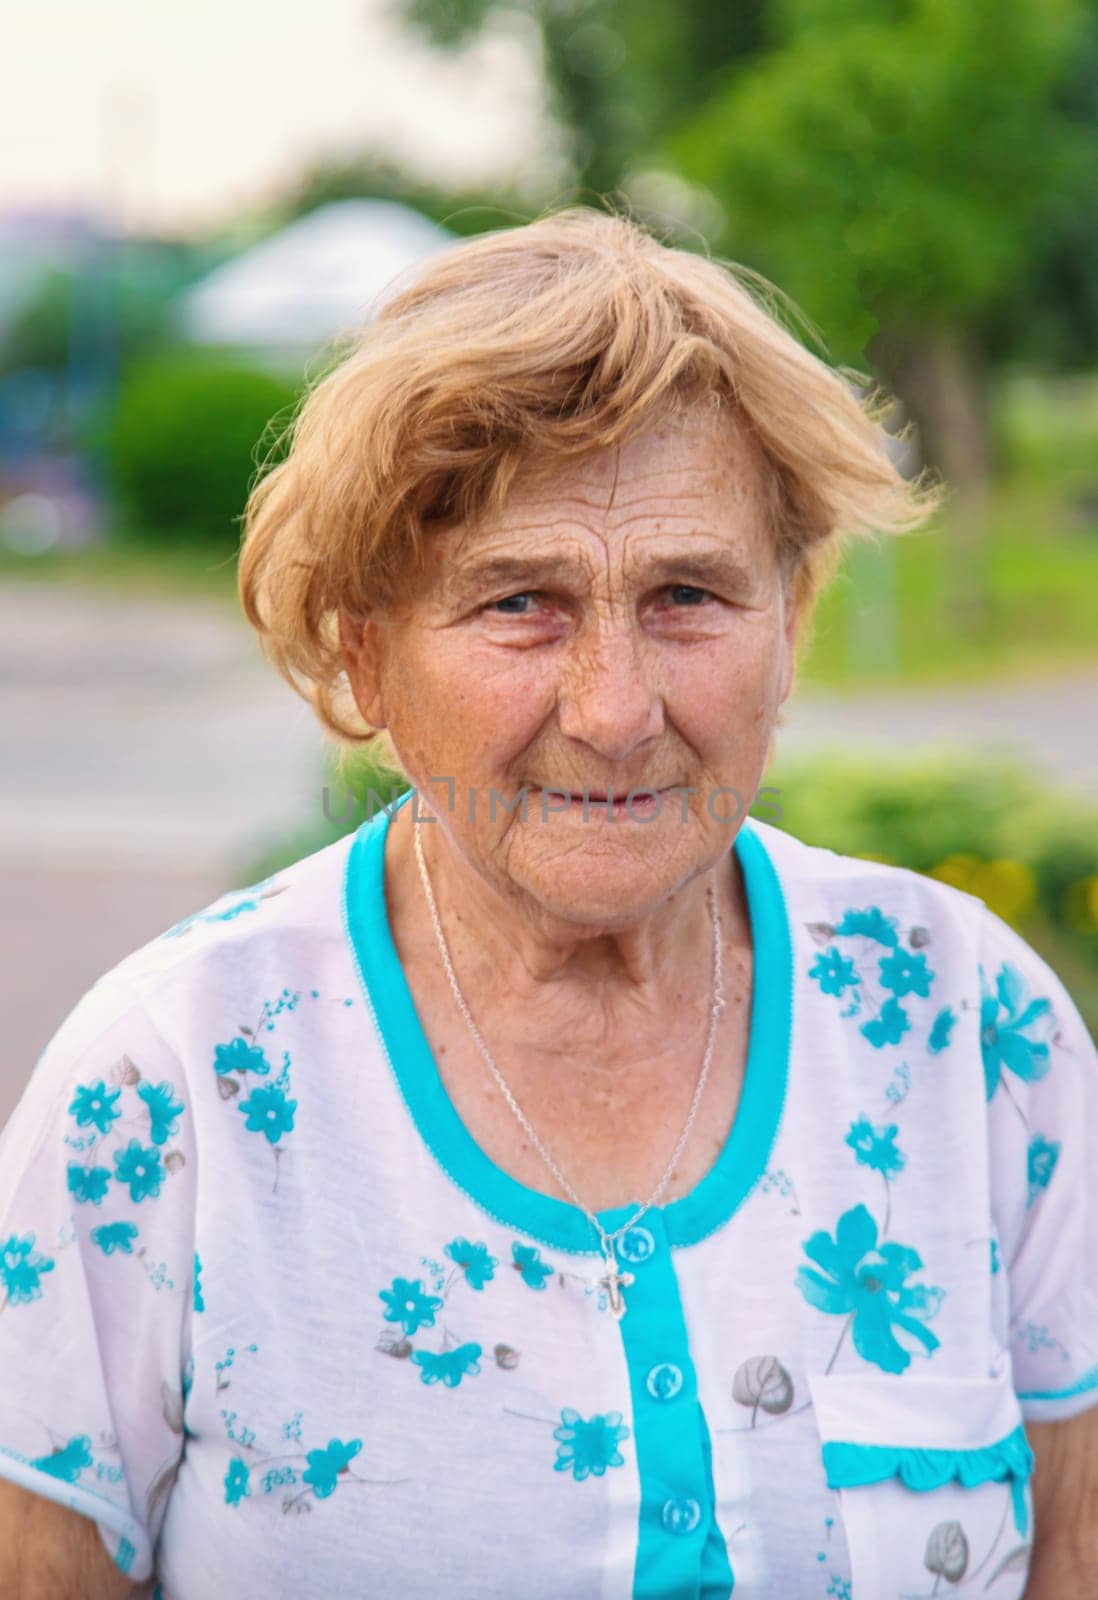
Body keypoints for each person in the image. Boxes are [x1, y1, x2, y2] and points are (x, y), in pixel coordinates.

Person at [1, 209, 1095, 1600]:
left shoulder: (964, 1022)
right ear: (364, 655)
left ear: (790, 622)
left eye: (689, 596)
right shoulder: (168, 1088)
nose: (616, 711)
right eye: (520, 603)